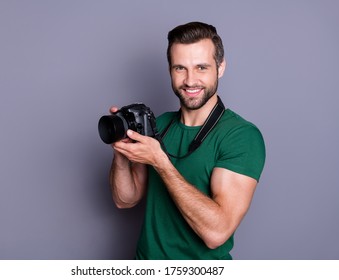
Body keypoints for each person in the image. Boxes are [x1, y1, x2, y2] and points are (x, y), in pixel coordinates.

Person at [108, 22, 266, 259]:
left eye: (201, 67)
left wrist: (161, 162)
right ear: (170, 70)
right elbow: (125, 200)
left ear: (220, 68)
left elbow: (216, 233)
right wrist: (121, 152)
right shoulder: (158, 125)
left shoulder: (241, 136)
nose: (190, 81)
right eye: (180, 68)